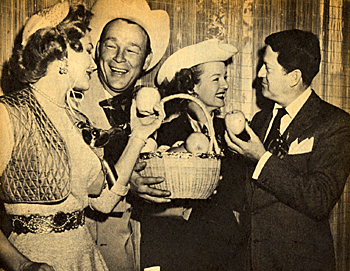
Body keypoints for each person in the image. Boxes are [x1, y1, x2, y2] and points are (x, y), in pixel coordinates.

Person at [0, 2, 164, 271]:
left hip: (85, 260)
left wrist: (139, 136)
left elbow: (104, 202)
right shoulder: (9, 112)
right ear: (62, 55)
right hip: (36, 260)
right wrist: (21, 265)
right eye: (89, 51)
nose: (93, 63)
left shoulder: (76, 120)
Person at [225, 29, 350, 271]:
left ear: (294, 77)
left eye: (267, 68)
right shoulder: (260, 120)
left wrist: (261, 158)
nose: (260, 74)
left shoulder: (336, 124)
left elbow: (319, 198)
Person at [139, 39, 250, 271]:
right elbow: (149, 203)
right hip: (180, 252)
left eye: (225, 77)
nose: (225, 85)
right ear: (192, 87)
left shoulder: (230, 132)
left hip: (227, 252)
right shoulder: (166, 131)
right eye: (216, 79)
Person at [77, 0, 171, 270]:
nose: (120, 58)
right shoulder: (71, 102)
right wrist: (130, 187)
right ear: (96, 49)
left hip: (123, 252)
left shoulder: (149, 109)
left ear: (147, 60)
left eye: (132, 50)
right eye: (111, 45)